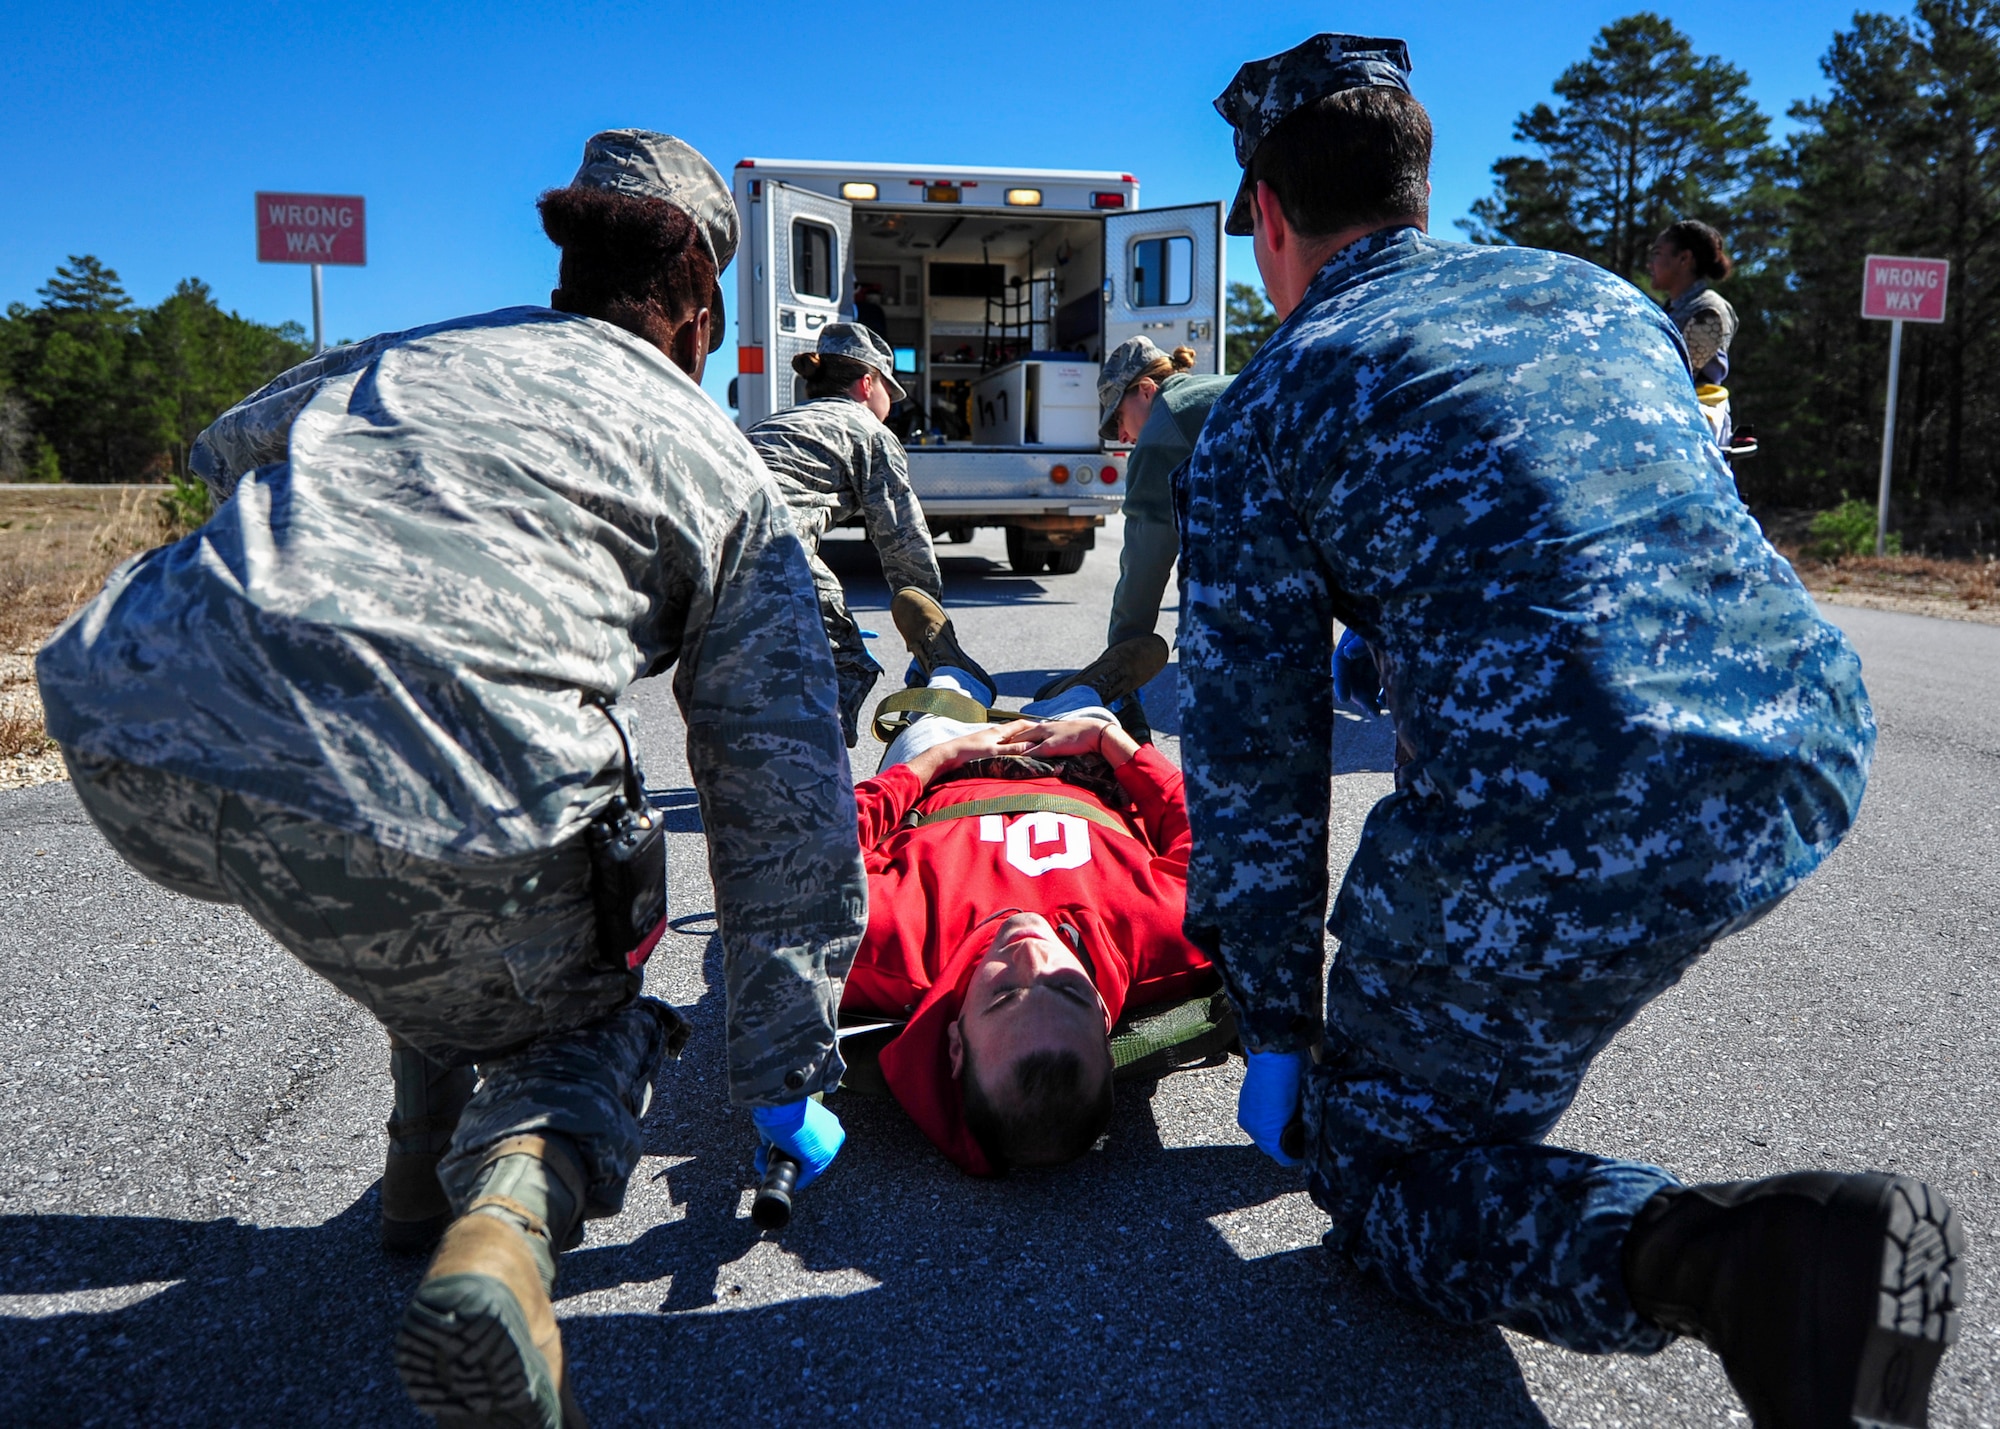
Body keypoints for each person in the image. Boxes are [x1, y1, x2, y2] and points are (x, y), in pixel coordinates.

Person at [1179, 35, 1960, 1429]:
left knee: (1386, 1180)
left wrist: (1281, 1021)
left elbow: (1257, 763)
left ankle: (1739, 1268)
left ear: (1272, 223)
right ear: (1423, 193)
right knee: (1502, 1016)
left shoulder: (1268, 407)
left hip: (1571, 811)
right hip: (1805, 751)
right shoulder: (1601, 301)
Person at [35, 130, 869, 1429]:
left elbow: (221, 442)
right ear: (700, 302)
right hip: (413, 807)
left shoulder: (411, 352)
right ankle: (505, 1231)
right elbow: (780, 805)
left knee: (423, 866)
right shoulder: (713, 460)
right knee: (559, 930)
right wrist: (784, 1063)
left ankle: (417, 1164)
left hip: (129, 721)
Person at [842, 590, 1209, 1173]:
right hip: (1084, 774)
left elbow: (822, 844)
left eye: (1004, 994)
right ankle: (1088, 691)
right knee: (1087, 712)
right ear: (1109, 1026)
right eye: (1069, 989)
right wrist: (1113, 748)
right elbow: (1208, 831)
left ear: (955, 1044)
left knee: (941, 712)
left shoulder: (883, 950)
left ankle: (950, 669)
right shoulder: (1169, 939)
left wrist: (933, 763)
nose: (1034, 955)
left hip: (948, 779)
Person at [746, 323, 944, 747]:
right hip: (767, 547)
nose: (888, 403)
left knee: (724, 670)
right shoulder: (868, 430)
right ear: (867, 382)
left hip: (697, 546)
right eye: (888, 392)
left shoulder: (781, 420)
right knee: (845, 667)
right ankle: (819, 782)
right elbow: (903, 543)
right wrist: (930, 638)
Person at [1089, 337, 1231, 742]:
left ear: (1146, 390)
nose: (1125, 436)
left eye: (1119, 418)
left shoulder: (1163, 427)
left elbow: (1145, 560)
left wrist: (1120, 663)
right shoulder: (1213, 390)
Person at [1649, 219, 1739, 445]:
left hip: (1693, 428)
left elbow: (1677, 376)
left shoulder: (1709, 310)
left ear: (1684, 259)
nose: (1650, 264)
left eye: (1658, 254)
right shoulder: (1669, 309)